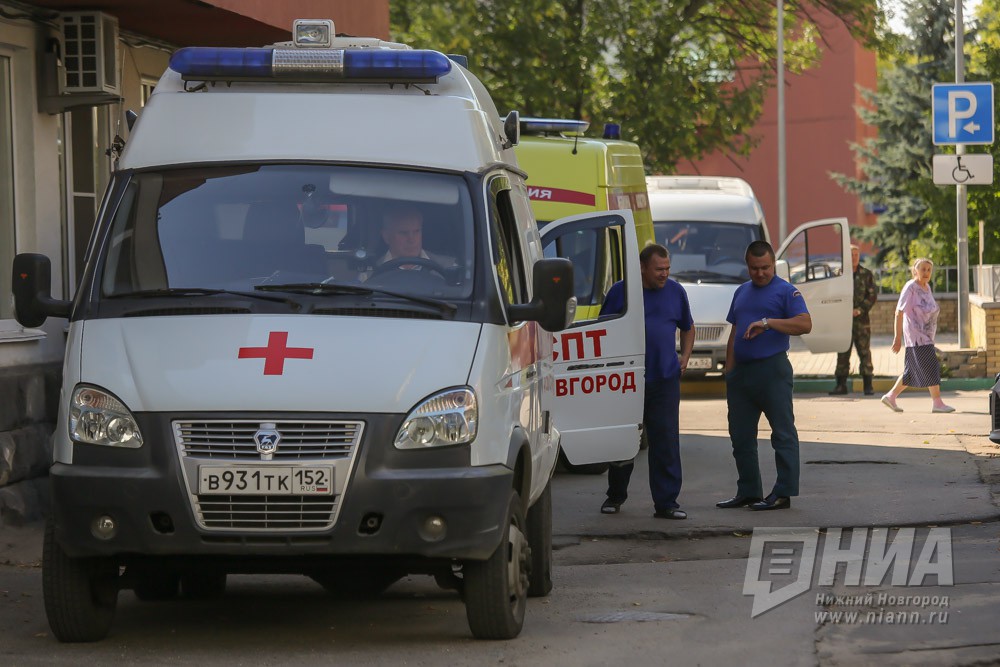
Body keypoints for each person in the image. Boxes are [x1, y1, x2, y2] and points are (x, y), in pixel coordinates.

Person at [599, 244, 695, 519]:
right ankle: (615, 496)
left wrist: (685, 357)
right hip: (628, 380)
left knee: (666, 442)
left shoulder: (676, 292)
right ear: (642, 268)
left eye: (667, 269)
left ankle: (667, 503)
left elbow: (688, 327)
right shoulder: (621, 291)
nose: (664, 274)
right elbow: (603, 331)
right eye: (659, 270)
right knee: (624, 440)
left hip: (665, 379)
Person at [717, 240, 812, 511]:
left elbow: (805, 323)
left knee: (782, 434)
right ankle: (748, 491)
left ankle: (783, 493)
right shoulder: (741, 292)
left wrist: (768, 323)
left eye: (765, 268)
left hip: (772, 371)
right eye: (754, 268)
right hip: (741, 375)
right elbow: (735, 330)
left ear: (774, 265)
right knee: (740, 435)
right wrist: (730, 370)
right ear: (747, 266)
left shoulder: (786, 292)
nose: (760, 273)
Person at [880, 258, 954, 413]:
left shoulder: (927, 287)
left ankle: (891, 396)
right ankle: (937, 403)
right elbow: (898, 312)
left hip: (926, 336)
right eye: (923, 269)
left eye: (929, 270)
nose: (926, 272)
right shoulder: (910, 287)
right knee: (932, 366)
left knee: (911, 371)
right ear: (915, 271)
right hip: (917, 337)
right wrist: (897, 338)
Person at [830, 244, 878, 395]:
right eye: (851, 255)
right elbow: (833, 295)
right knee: (843, 352)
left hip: (861, 321)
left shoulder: (866, 274)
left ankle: (868, 386)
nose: (854, 257)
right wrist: (843, 310)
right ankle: (841, 385)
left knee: (864, 352)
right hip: (844, 321)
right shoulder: (839, 274)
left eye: (856, 255)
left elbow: (872, 295)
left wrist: (860, 309)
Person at [376, 207, 455, 269]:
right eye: (404, 233)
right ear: (386, 236)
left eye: (416, 231)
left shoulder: (448, 268)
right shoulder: (369, 274)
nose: (411, 239)